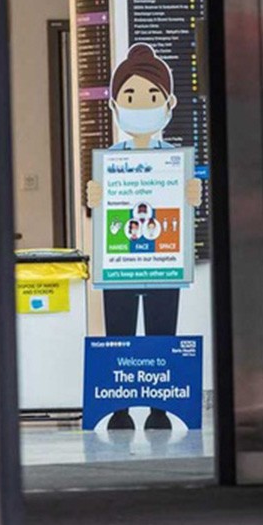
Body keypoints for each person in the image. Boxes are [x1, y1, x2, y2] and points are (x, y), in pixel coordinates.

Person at [87, 43, 202, 431]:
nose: (140, 106)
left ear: (167, 103)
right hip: (118, 264)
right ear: (115, 104)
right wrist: (95, 199)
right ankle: (118, 409)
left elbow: (185, 213)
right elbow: (99, 212)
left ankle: (160, 409)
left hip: (163, 264)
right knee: (119, 335)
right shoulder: (109, 161)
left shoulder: (175, 161)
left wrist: (191, 198)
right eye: (131, 96)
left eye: (150, 96)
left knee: (160, 335)